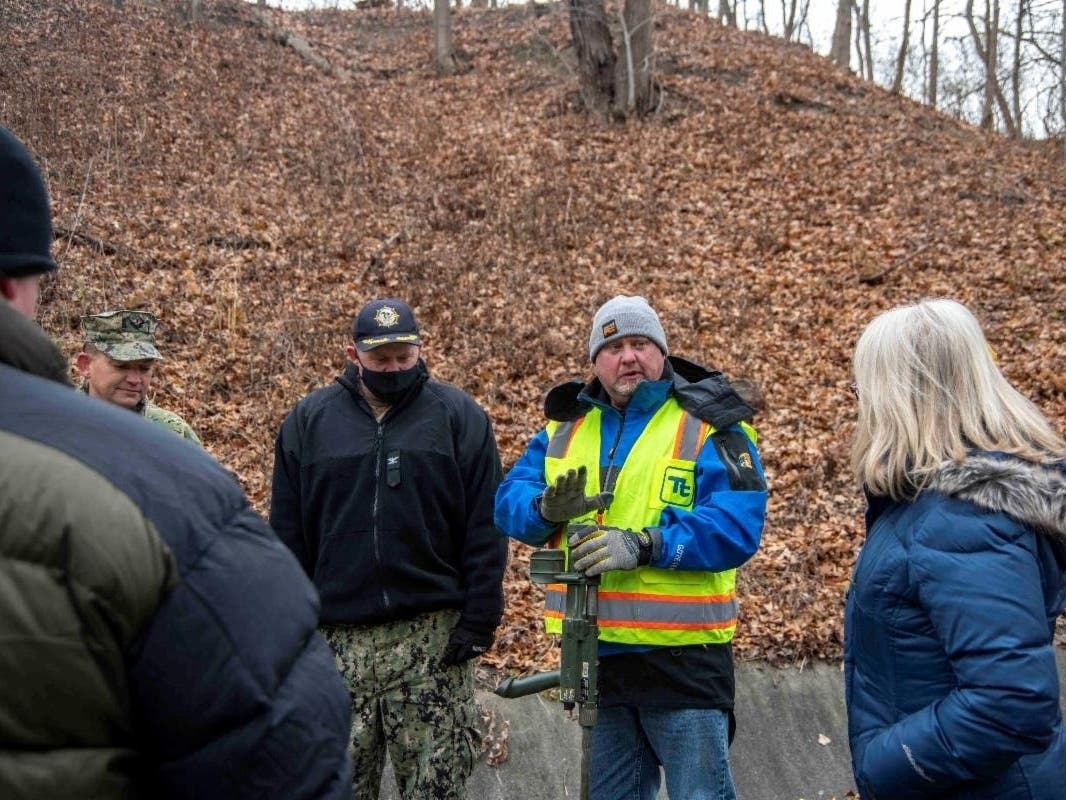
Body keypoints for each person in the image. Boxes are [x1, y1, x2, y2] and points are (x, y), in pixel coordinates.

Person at [0, 124, 352, 799]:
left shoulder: (173, 441)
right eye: (124, 367)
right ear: (84, 364)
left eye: (147, 368)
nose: (138, 379)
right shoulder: (143, 470)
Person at [495, 294, 768, 800]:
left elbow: (737, 525)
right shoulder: (565, 427)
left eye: (641, 343)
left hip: (684, 661)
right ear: (594, 363)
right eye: (613, 346)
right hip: (598, 656)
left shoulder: (712, 424)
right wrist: (544, 509)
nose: (628, 357)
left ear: (662, 353)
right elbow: (507, 500)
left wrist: (646, 544)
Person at [270, 297, 508, 800]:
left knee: (436, 787)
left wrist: (481, 613)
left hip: (432, 641)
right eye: (381, 360)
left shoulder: (458, 416)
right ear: (353, 355)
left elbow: (485, 523)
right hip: (338, 642)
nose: (394, 369)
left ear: (421, 349)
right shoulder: (308, 422)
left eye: (404, 357)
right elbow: (287, 532)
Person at [845, 298, 1066, 800]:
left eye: (864, 389)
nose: (860, 405)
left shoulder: (965, 518)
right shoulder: (932, 504)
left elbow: (1012, 702)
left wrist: (888, 763)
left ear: (901, 396)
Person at [77, 308, 203, 444]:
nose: (134, 380)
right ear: (86, 365)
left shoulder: (172, 433)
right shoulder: (58, 420)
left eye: (144, 368)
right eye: (121, 366)